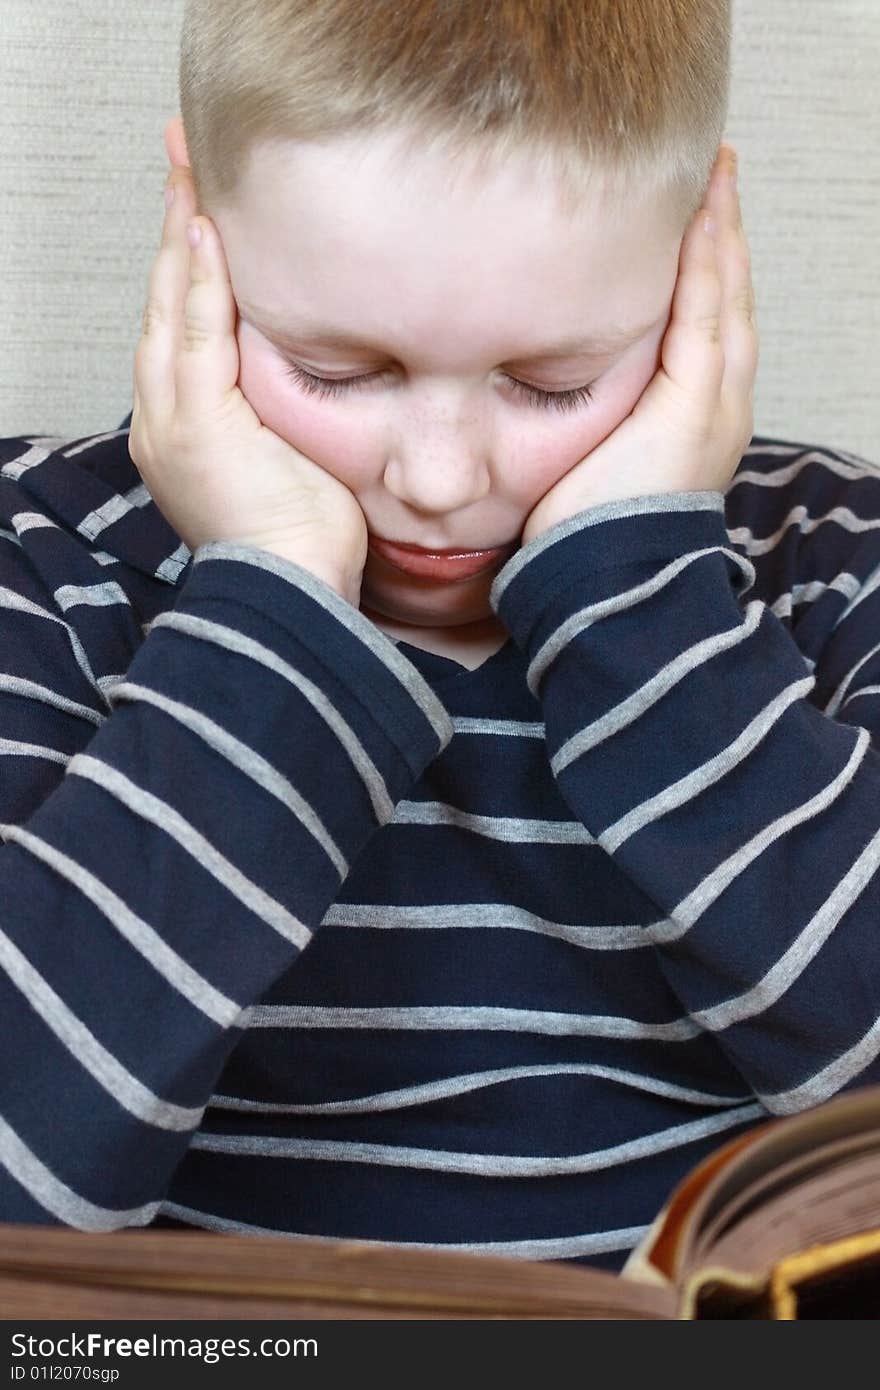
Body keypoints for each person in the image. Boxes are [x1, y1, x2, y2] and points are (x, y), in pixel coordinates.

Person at [0, 0, 877, 1276]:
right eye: (338, 370)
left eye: (553, 384)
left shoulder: (831, 559)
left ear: (698, 269)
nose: (436, 475)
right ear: (200, 240)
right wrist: (275, 603)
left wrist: (636, 595)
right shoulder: (40, 559)